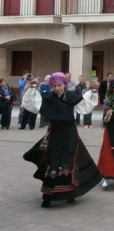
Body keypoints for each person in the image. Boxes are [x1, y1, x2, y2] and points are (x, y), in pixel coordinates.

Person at [22, 72, 101, 207]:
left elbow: (86, 107)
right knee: (53, 161)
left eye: (59, 85)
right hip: (55, 133)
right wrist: (32, 88)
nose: (57, 88)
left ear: (65, 84)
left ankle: (70, 193)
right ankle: (48, 196)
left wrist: (94, 91)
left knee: (69, 162)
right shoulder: (48, 98)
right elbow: (33, 105)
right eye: (54, 86)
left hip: (70, 133)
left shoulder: (72, 97)